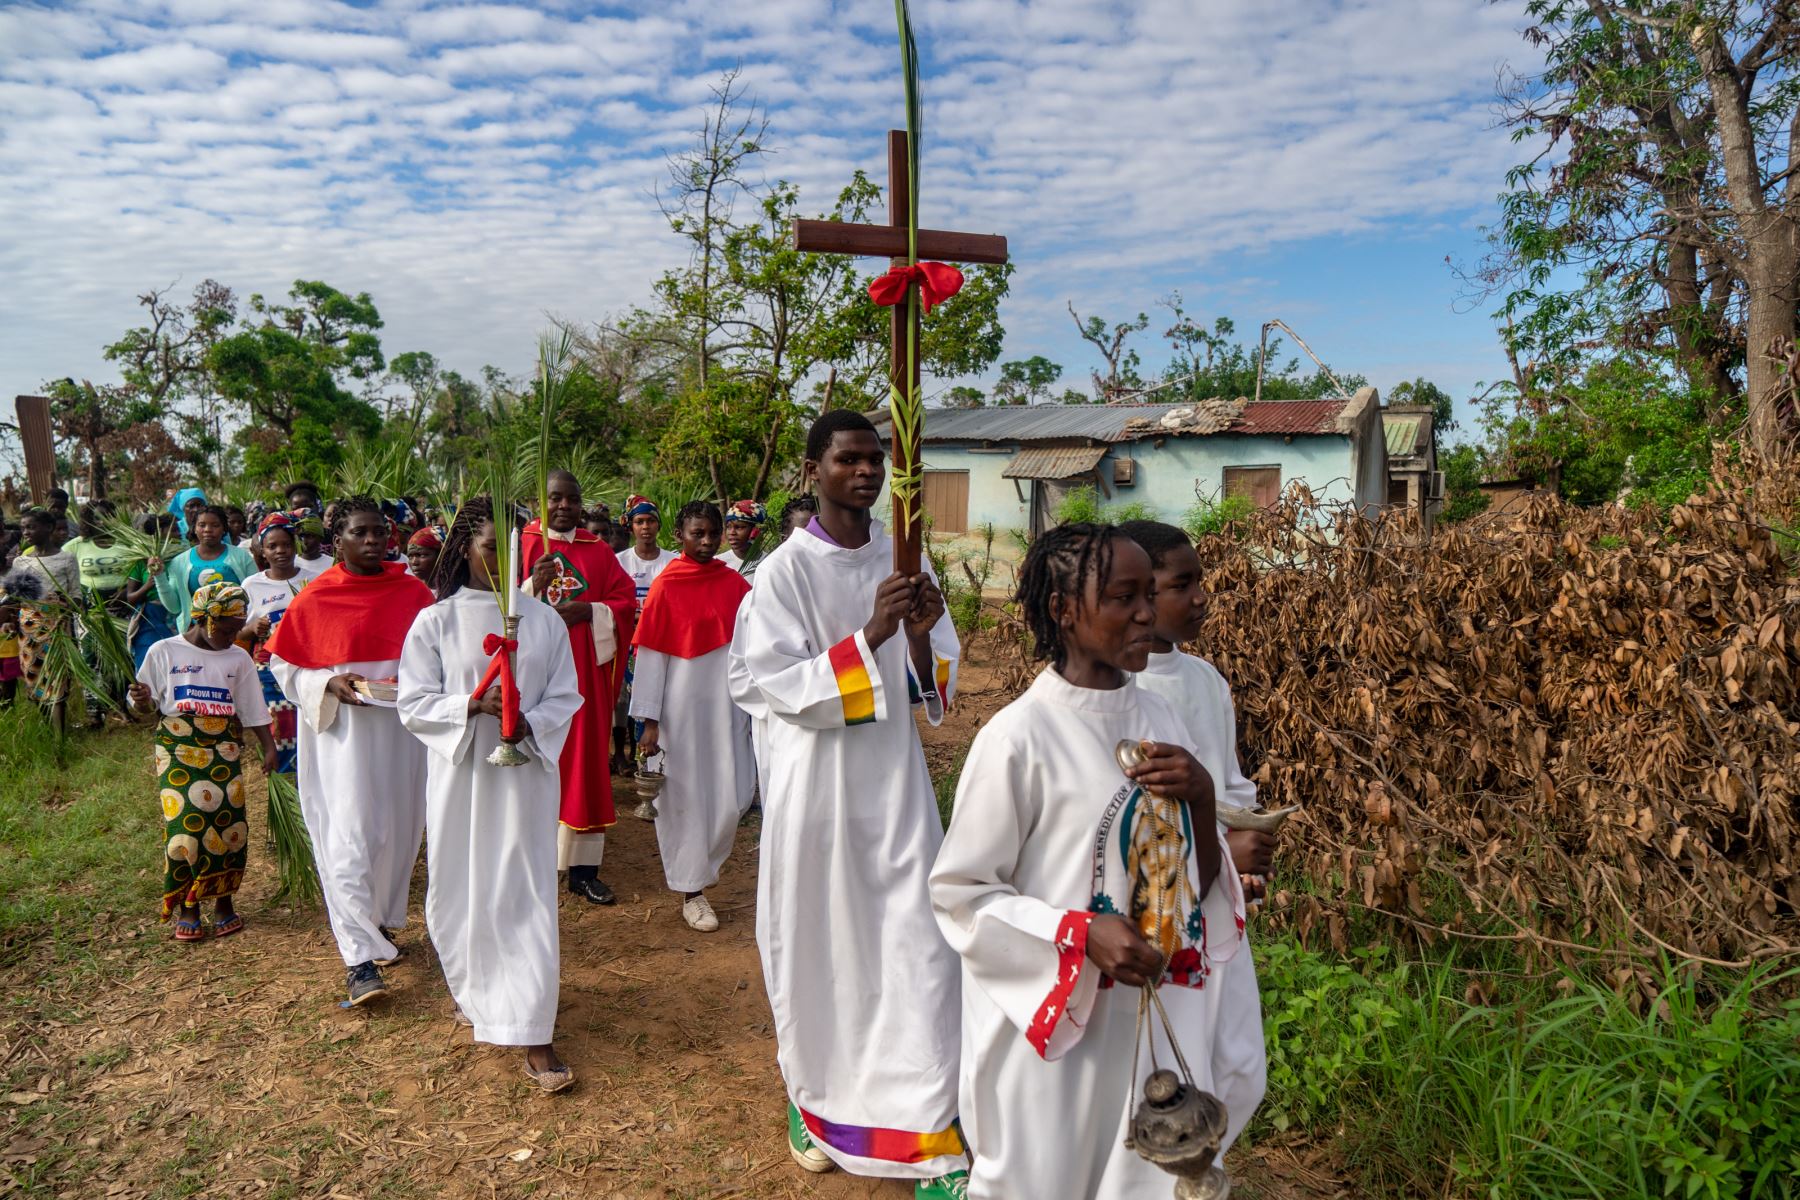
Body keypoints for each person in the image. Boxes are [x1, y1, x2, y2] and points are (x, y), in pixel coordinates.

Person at [929, 524, 1265, 1200]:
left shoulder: (1164, 717)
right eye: (1123, 597)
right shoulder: (1018, 739)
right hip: (1061, 1031)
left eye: (1149, 594)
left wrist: (1201, 797)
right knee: (1048, 1173)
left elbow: (1189, 892)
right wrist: (1082, 934)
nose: (1146, 613)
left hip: (1151, 1023)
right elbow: (963, 896)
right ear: (1062, 610)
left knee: (1144, 1176)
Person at [728, 411, 968, 1196]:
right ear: (813, 470)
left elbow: (932, 682)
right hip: (816, 790)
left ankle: (930, 1131)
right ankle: (814, 1096)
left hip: (893, 786)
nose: (865, 472)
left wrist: (924, 633)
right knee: (821, 948)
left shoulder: (907, 554)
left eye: (875, 459)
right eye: (848, 459)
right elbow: (779, 686)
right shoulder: (783, 573)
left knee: (919, 948)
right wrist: (871, 632)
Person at [398, 499, 585, 1092]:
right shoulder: (436, 621)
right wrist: (469, 706)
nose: (500, 561)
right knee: (459, 887)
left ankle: (533, 1027)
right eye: (487, 547)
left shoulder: (544, 620)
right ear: (463, 550)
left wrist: (530, 720)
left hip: (524, 777)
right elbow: (412, 701)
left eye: (511, 549)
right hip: (461, 778)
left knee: (523, 889)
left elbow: (565, 694)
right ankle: (475, 990)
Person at [268, 497, 434, 1006]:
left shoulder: (415, 593)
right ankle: (358, 959)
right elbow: (285, 668)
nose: (372, 541)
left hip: (402, 734)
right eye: (359, 533)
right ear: (336, 542)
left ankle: (379, 926)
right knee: (349, 835)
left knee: (399, 831)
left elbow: (437, 655)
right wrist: (327, 680)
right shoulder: (315, 598)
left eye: (379, 532)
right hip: (344, 738)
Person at [1117, 521, 1275, 900]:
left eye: (1199, 583)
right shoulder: (1118, 688)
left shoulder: (1207, 679)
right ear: (1137, 593)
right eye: (1180, 585)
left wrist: (1245, 856)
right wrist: (1219, 855)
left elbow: (1230, 785)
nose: (1201, 598)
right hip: (1152, 893)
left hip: (1215, 886)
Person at [127, 583, 276, 942]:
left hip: (223, 747)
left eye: (237, 627)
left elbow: (252, 707)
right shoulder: (164, 651)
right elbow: (144, 706)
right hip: (177, 746)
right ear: (203, 620)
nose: (232, 635)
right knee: (186, 826)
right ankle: (188, 907)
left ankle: (223, 900)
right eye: (226, 629)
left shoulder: (237, 658)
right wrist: (141, 699)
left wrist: (268, 746)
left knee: (229, 825)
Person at [631, 501, 752, 932]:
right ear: (679, 536)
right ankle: (691, 890)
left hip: (728, 705)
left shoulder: (735, 584)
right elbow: (650, 657)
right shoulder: (667, 585)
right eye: (696, 533)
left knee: (735, 794)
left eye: (711, 533)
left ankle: (705, 870)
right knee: (684, 796)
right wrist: (649, 721)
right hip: (679, 710)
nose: (705, 541)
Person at [521, 471, 638, 907]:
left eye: (572, 499)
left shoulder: (599, 551)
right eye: (556, 498)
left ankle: (583, 871)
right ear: (541, 501)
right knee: (537, 759)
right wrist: (532, 583)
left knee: (585, 761)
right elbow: (493, 601)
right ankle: (534, 862)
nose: (565, 506)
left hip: (584, 670)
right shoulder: (522, 544)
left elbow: (625, 602)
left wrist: (589, 610)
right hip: (536, 675)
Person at [238, 514, 310, 775]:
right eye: (273, 546)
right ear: (262, 551)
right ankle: (285, 783)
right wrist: (253, 628)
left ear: (295, 546)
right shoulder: (252, 585)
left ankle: (310, 779)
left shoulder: (314, 580)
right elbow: (239, 632)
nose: (281, 551)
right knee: (280, 729)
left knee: (309, 722)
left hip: (308, 665)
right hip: (269, 670)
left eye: (286, 545)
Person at [9, 506, 83, 729]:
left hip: (57, 626)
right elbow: (15, 598)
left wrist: (66, 605)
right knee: (34, 679)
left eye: (31, 527)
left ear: (49, 527)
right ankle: (49, 727)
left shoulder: (66, 559)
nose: (26, 532)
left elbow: (76, 595)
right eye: (23, 528)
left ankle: (60, 738)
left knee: (58, 678)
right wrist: (10, 621)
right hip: (29, 628)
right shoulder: (20, 562)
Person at [155, 506, 257, 632]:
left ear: (224, 528)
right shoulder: (179, 562)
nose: (208, 530)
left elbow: (255, 595)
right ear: (195, 528)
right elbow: (174, 607)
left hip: (237, 632)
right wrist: (159, 577)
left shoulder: (241, 557)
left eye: (215, 525)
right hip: (197, 634)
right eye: (202, 525)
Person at [124, 514, 180, 670]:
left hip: (177, 618)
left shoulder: (182, 557)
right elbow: (131, 597)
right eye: (174, 530)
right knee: (147, 665)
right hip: (149, 620)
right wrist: (148, 585)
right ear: (159, 533)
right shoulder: (141, 561)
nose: (179, 533)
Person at [64, 503, 130, 600]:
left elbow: (143, 573)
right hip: (89, 604)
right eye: (97, 518)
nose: (103, 522)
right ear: (88, 521)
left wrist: (128, 591)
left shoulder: (128, 543)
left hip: (126, 602)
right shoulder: (74, 546)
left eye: (107, 517)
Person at [717, 500, 768, 576]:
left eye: (739, 527)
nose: (731, 532)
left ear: (756, 530)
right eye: (728, 527)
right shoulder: (718, 564)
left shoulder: (770, 562)